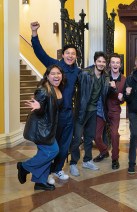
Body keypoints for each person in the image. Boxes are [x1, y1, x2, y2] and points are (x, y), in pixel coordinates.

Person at [30, 22, 81, 183]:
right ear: (63, 54)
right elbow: (40, 53)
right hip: (53, 114)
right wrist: (34, 34)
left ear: (76, 56)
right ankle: (46, 172)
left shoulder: (78, 72)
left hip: (68, 114)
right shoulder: (55, 66)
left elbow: (90, 78)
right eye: (68, 53)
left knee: (65, 146)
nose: (70, 55)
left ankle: (57, 169)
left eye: (73, 53)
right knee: (52, 146)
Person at [17, 65, 64, 191]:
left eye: (58, 73)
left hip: (48, 129)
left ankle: (40, 182)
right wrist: (39, 107)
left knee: (45, 153)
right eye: (53, 73)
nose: (56, 76)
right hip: (41, 130)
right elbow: (40, 106)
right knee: (53, 151)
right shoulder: (43, 90)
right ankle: (24, 167)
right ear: (47, 76)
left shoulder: (56, 88)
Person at [69, 51, 109, 176]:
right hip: (82, 111)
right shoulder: (85, 73)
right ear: (95, 62)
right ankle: (73, 163)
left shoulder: (105, 76)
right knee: (76, 139)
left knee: (89, 137)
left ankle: (87, 160)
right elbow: (72, 86)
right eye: (99, 61)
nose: (101, 64)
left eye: (103, 62)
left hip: (93, 111)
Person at [93, 53, 126, 170]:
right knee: (96, 135)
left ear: (120, 65)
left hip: (115, 110)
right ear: (109, 64)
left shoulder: (124, 80)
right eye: (113, 62)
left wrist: (121, 97)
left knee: (114, 134)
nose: (115, 64)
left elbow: (124, 99)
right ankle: (103, 151)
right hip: (102, 109)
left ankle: (115, 158)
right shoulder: (104, 76)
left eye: (117, 62)